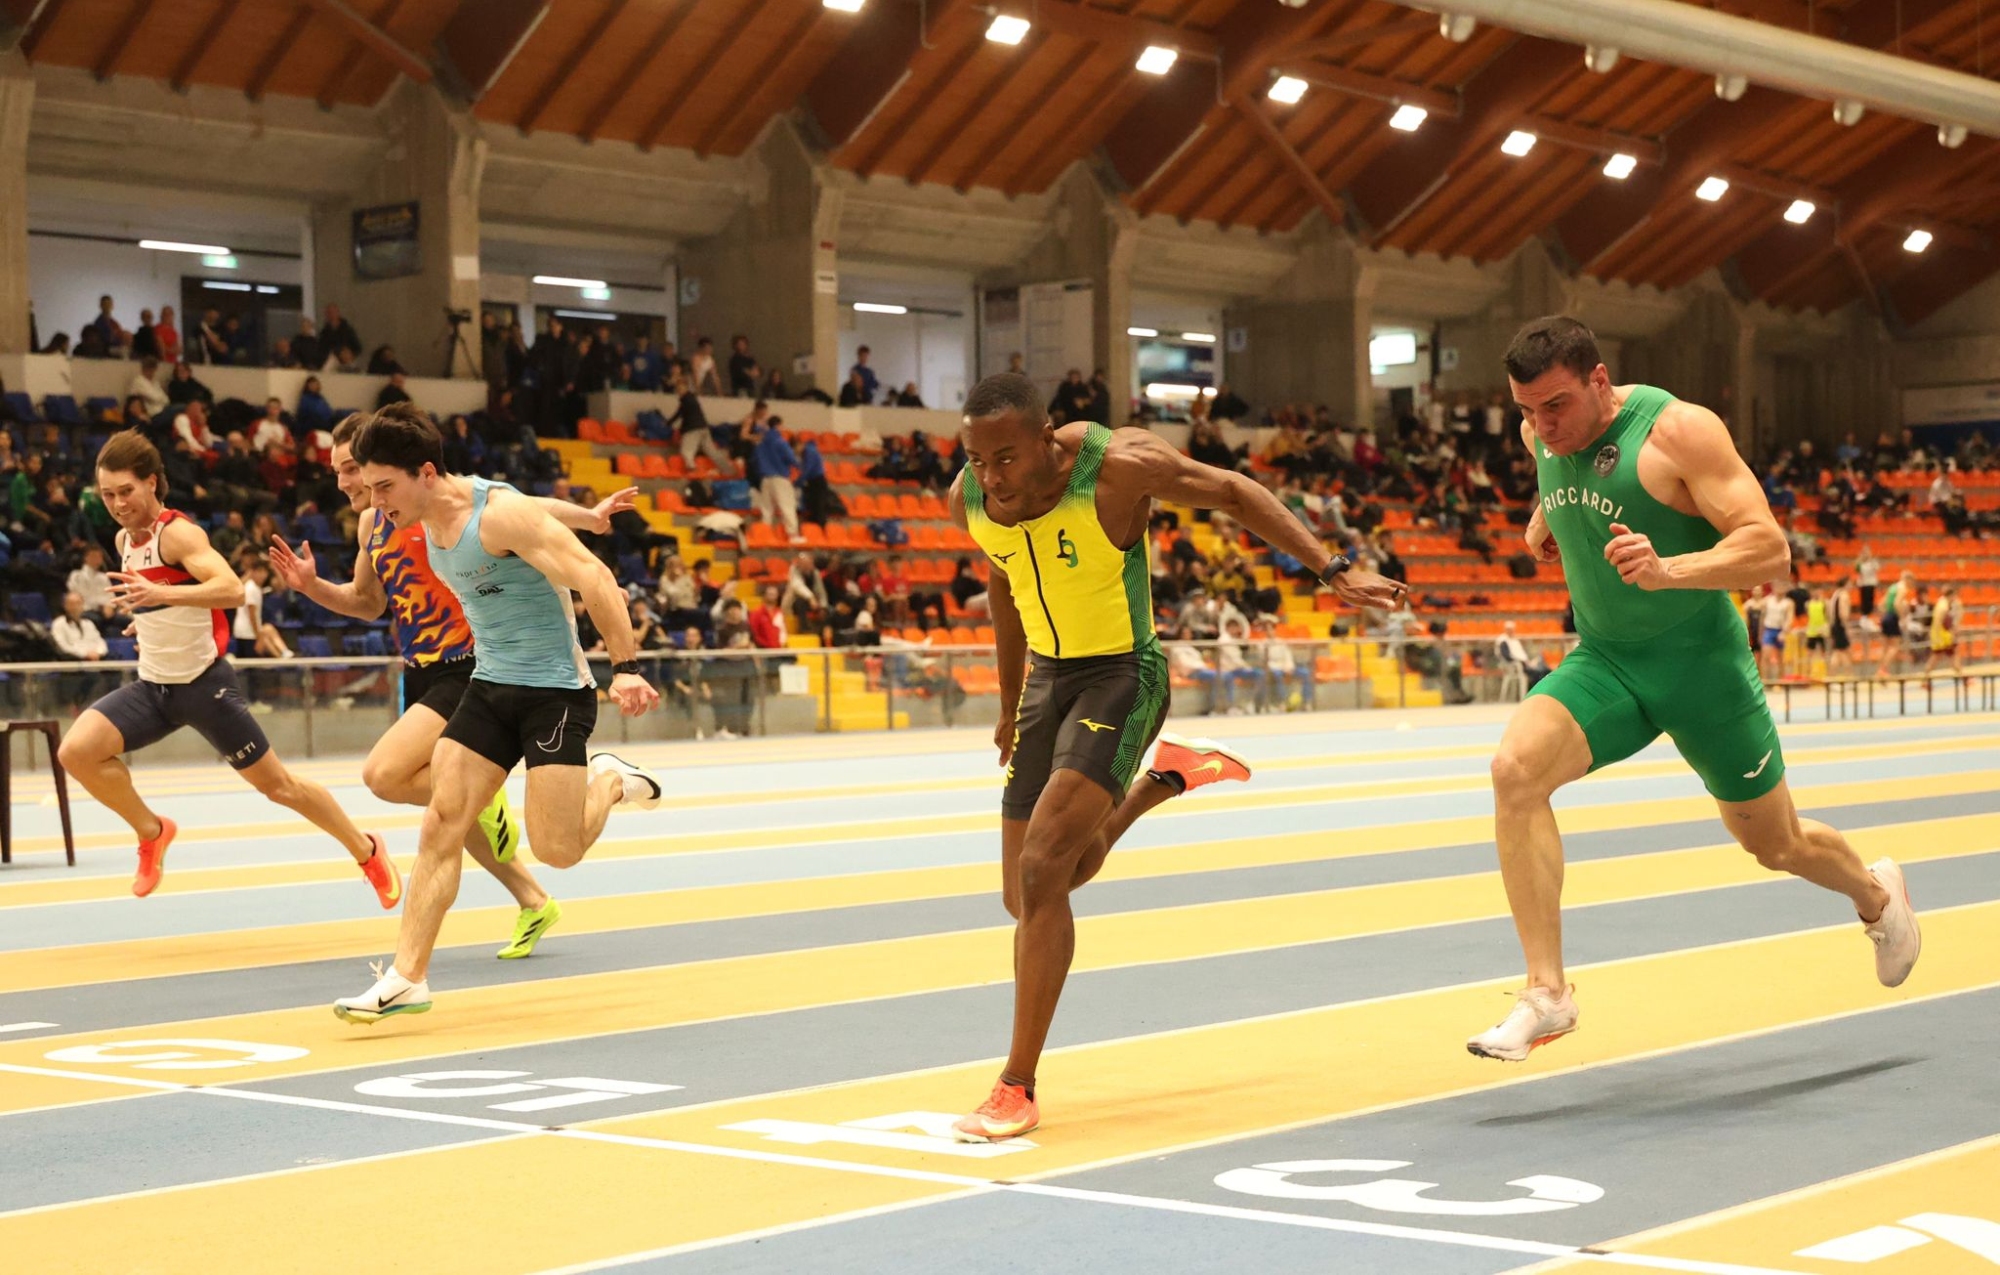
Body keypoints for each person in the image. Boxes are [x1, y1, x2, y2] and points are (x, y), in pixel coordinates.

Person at [945, 373, 1405, 1142]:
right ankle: (1164, 780)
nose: (991, 478)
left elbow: (1231, 489)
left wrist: (1330, 567)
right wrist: (1006, 699)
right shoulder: (969, 497)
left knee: (1041, 870)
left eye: (1005, 459)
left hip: (1122, 673)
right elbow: (1002, 578)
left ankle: (1015, 1084)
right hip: (1047, 682)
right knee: (1026, 895)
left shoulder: (1120, 468)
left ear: (1047, 438)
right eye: (976, 459)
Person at [1468, 316, 1919, 1063]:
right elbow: (1572, 480)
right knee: (1514, 771)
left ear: (1600, 382)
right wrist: (1544, 515)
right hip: (1608, 662)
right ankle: (1547, 993)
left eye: (1554, 407)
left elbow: (1768, 547)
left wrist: (1670, 568)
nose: (1540, 427)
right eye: (1525, 411)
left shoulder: (1680, 433)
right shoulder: (1543, 436)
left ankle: (1877, 896)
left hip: (1702, 669)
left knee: (1775, 843)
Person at [333, 409, 663, 1022]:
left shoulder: (495, 513)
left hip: (554, 692)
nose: (374, 502)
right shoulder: (420, 515)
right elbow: (536, 502)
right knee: (441, 823)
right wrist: (586, 512)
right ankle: (408, 977)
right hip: (488, 684)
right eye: (368, 488)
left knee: (558, 849)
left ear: (425, 474)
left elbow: (594, 574)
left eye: (384, 488)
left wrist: (627, 666)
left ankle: (611, 779)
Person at [54, 431, 397, 903]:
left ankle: (367, 850)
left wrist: (161, 597)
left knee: (281, 788)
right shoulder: (122, 540)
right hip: (154, 689)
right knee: (76, 752)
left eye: (125, 492)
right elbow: (164, 598)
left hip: (203, 687)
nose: (116, 504)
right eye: (107, 494)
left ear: (152, 483)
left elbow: (231, 589)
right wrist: (149, 619)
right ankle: (151, 831)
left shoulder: (178, 533)